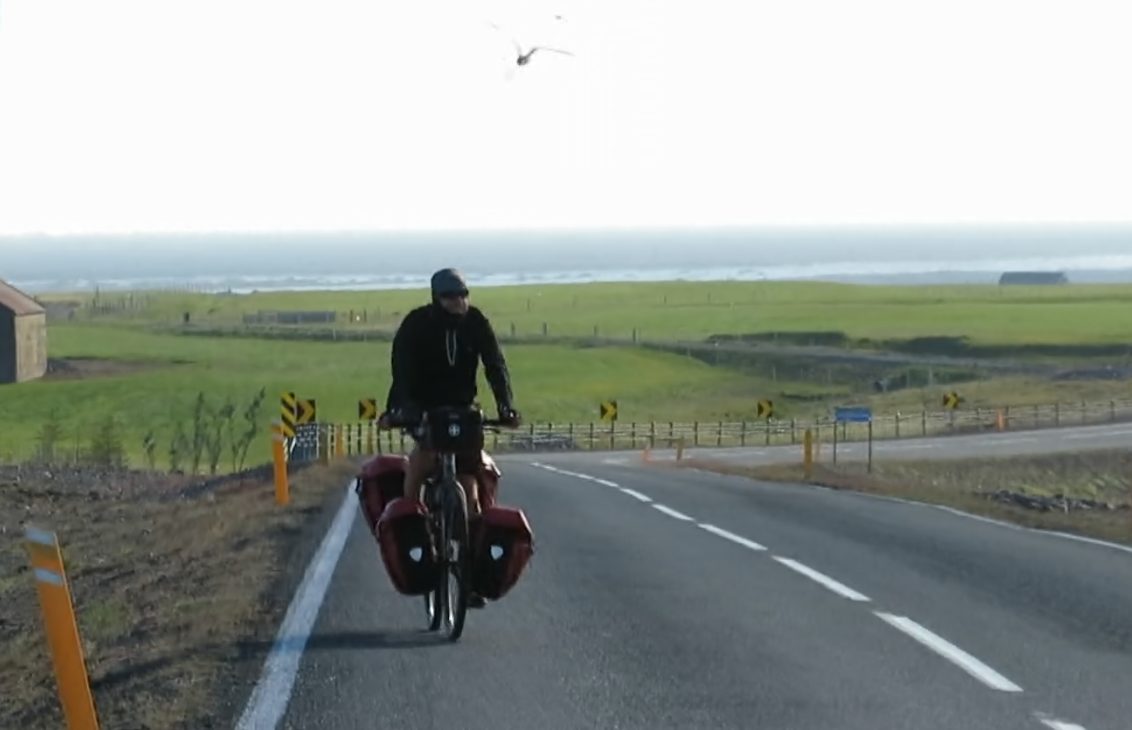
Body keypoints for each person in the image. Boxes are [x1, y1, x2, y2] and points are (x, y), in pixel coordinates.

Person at [379, 268, 521, 573]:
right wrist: (400, 409)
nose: (459, 302)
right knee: (421, 461)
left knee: (469, 479)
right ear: (436, 298)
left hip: (463, 410)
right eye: (450, 297)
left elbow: (495, 365)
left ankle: (472, 561)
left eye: (463, 295)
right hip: (424, 408)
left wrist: (506, 406)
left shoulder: (476, 322)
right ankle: (411, 529)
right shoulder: (416, 324)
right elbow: (401, 370)